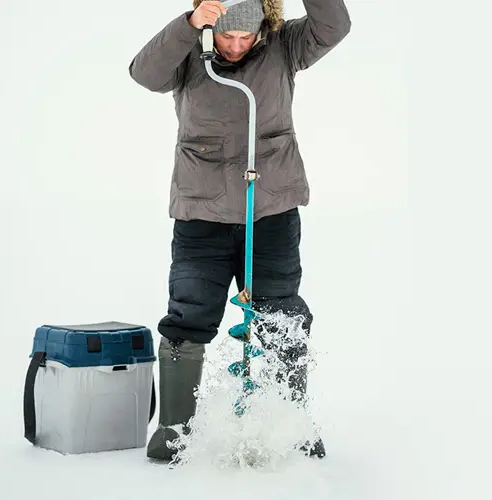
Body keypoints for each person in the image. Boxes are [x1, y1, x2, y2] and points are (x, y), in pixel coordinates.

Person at [128, 0, 351, 462]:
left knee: (280, 314)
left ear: (262, 29)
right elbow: (144, 74)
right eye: (225, 37)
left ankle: (290, 424)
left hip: (271, 212)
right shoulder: (189, 50)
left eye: (244, 38)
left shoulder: (287, 45)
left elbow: (335, 24)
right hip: (200, 217)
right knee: (188, 315)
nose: (234, 46)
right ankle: (173, 430)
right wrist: (189, 26)